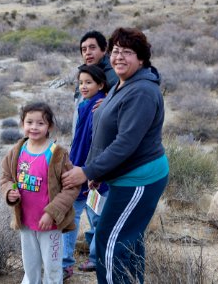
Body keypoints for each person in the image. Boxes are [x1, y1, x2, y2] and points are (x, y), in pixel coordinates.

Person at [62, 27, 169, 284]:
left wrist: (88, 170)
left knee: (110, 240)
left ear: (141, 59)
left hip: (138, 180)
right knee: (128, 240)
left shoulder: (141, 91)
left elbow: (125, 144)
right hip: (123, 176)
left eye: (128, 52)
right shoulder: (122, 84)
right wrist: (100, 172)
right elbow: (108, 134)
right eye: (117, 51)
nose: (119, 57)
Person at [0, 102, 80, 284]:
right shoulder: (16, 151)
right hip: (26, 222)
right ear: (22, 124)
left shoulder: (57, 154)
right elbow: (6, 178)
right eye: (29, 122)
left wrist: (51, 213)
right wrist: (10, 192)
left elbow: (71, 187)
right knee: (30, 267)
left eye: (40, 123)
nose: (34, 127)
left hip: (49, 225)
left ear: (49, 126)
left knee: (52, 268)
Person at [62, 65, 110, 280]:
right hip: (77, 169)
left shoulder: (100, 106)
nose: (83, 86)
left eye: (88, 82)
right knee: (73, 214)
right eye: (81, 82)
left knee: (95, 216)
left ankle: (92, 259)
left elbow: (99, 143)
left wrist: (93, 172)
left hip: (92, 173)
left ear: (100, 85)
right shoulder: (84, 105)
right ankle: (67, 261)